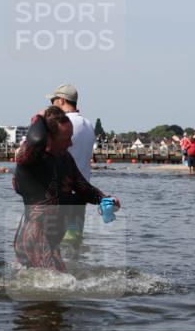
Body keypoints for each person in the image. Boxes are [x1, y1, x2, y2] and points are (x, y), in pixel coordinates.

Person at [13, 107, 120, 272]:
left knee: (60, 286)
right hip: (34, 236)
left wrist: (105, 199)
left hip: (52, 240)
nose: (71, 143)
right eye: (66, 138)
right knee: (57, 286)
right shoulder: (31, 158)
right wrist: (38, 117)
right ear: (49, 138)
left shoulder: (65, 158)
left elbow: (83, 187)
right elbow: (36, 139)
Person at [47, 84, 94, 245]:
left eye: (53, 102)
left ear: (61, 100)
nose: (51, 106)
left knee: (55, 242)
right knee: (74, 240)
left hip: (62, 193)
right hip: (82, 193)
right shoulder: (88, 124)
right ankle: (77, 269)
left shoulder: (63, 125)